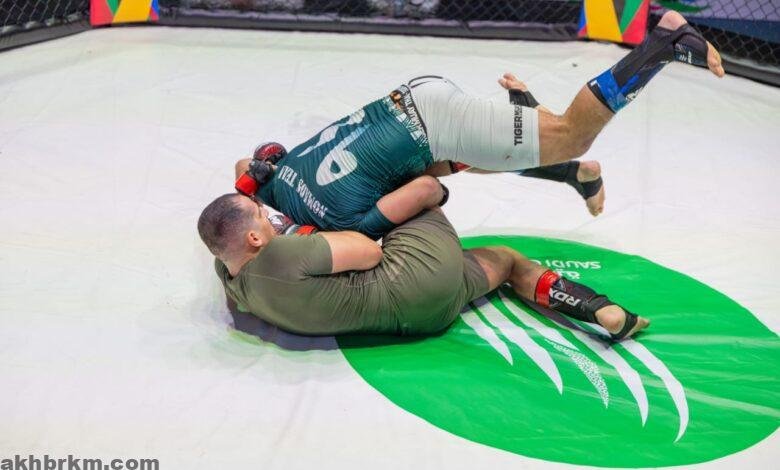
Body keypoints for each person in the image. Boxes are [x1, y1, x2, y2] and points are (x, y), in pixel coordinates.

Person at [234, 11, 721, 239]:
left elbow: (426, 190)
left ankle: (662, 42)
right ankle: (572, 171)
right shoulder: (270, 183)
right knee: (464, 161)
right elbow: (257, 157)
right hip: (412, 103)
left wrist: (427, 201)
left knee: (572, 134)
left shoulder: (338, 226)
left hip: (438, 124)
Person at [197, 194, 650, 340]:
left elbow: (232, 221)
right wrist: (314, 227)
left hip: (424, 318)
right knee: (409, 191)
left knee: (504, 258)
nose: (271, 217)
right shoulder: (280, 253)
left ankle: (603, 312)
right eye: (263, 217)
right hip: (410, 274)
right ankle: (598, 308)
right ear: (254, 239)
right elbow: (369, 251)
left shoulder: (234, 281)